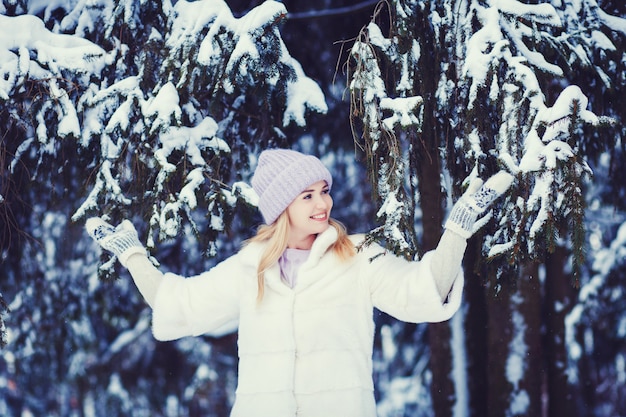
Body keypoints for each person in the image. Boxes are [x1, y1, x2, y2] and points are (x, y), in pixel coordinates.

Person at [86, 148, 513, 417]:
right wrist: (133, 254)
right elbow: (177, 304)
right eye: (307, 195)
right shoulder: (249, 266)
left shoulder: (358, 255)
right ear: (281, 207)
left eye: (323, 190)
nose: (323, 202)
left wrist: (456, 233)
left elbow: (423, 293)